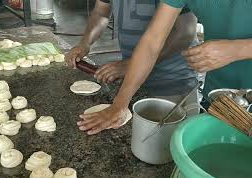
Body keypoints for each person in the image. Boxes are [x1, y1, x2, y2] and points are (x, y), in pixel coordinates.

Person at [77, 0, 252, 135]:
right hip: (219, 97)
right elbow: (152, 41)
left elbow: (185, 31)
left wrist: (235, 50)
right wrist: (120, 103)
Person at [66, 0, 199, 134]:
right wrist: (85, 43)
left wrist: (129, 64)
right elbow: (101, 12)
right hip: (132, 84)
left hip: (172, 83)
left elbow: (185, 32)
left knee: (172, 143)